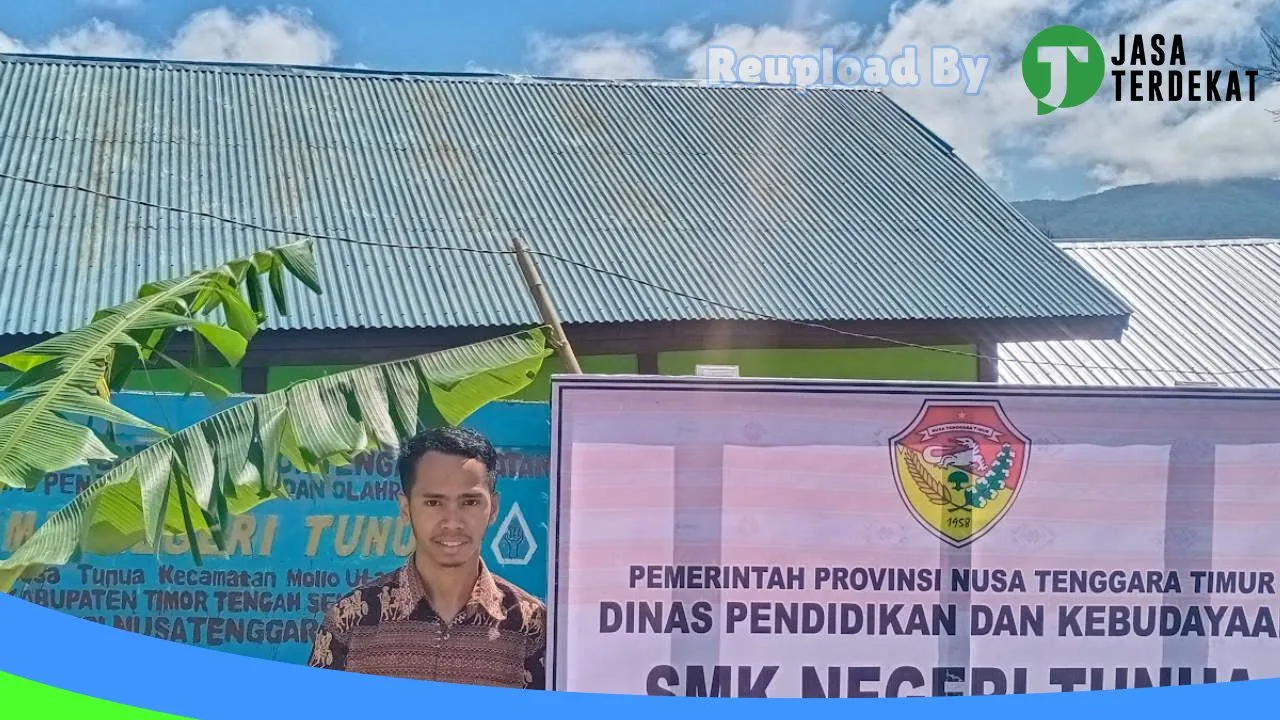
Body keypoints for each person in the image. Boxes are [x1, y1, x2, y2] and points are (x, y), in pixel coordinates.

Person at [307, 426, 546, 689]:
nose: (452, 522)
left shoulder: (530, 626)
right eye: (434, 503)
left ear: (493, 509)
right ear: (406, 508)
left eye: (470, 502)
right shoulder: (351, 620)